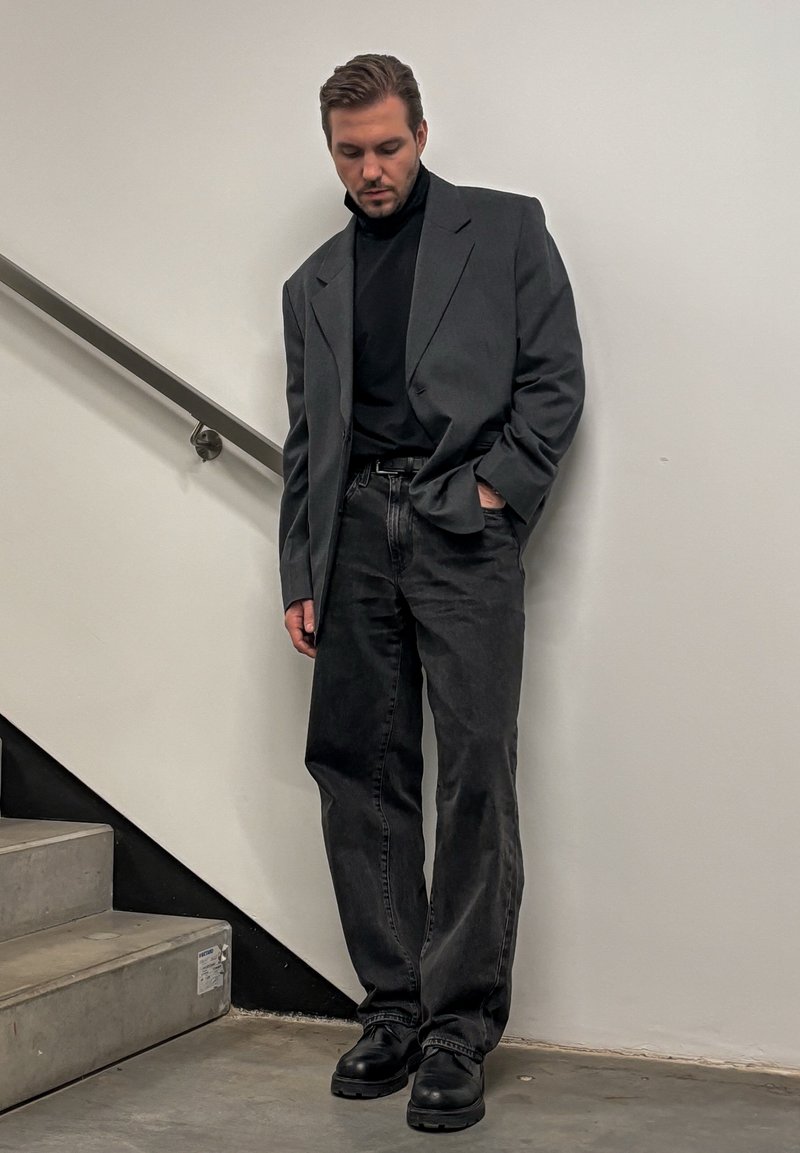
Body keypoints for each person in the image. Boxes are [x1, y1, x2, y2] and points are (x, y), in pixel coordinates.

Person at [279, 53, 584, 1132]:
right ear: (331, 150)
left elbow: (553, 378)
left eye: (388, 146)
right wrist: (298, 569)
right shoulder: (309, 282)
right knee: (357, 770)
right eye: (351, 152)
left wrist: (496, 488)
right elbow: (305, 440)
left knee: (473, 770)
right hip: (353, 529)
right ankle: (392, 1007)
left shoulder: (502, 229)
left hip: (462, 523)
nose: (371, 169)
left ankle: (457, 1026)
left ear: (420, 133)